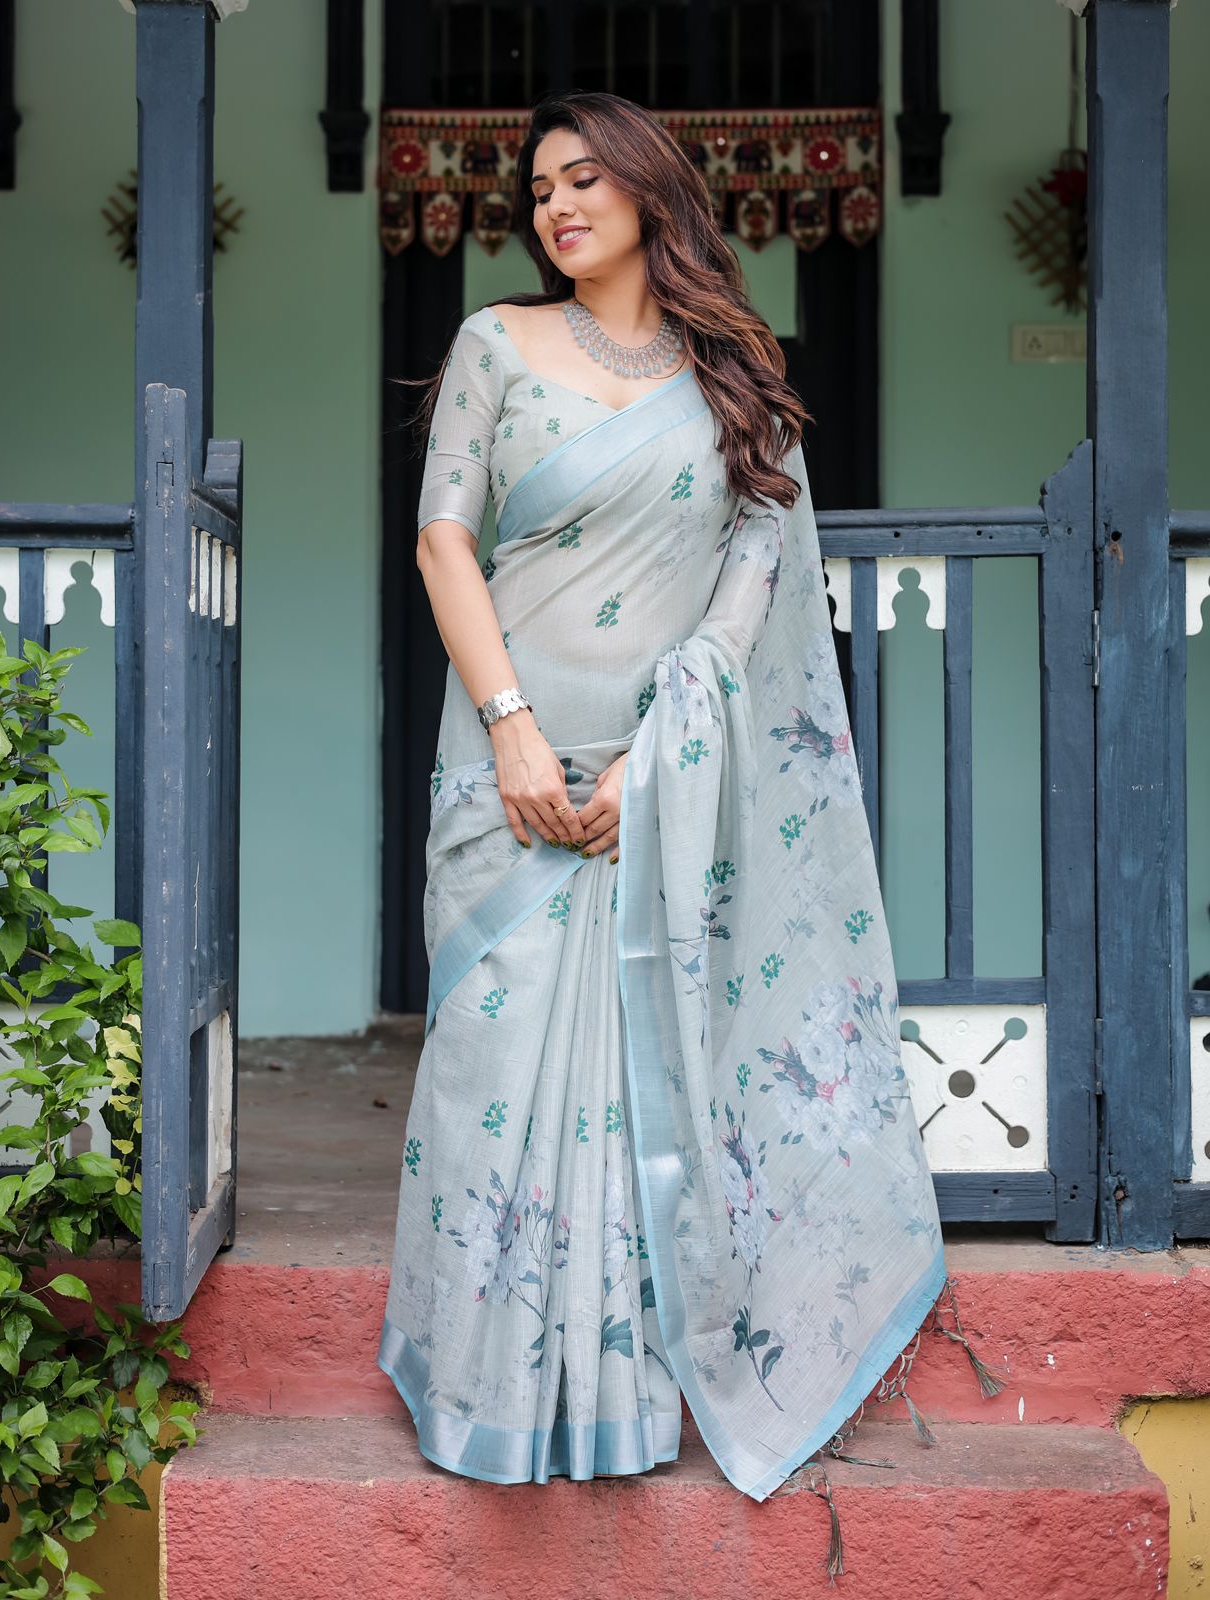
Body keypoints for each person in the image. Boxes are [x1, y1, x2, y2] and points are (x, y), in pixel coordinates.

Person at [379, 90, 996, 1555]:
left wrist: (659, 756)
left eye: (587, 180)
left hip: (650, 787)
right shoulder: (492, 344)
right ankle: (487, 1389)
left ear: (655, 193)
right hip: (510, 780)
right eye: (538, 189)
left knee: (641, 1086)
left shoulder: (734, 377)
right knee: (497, 1076)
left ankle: (621, 1397)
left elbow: (746, 591)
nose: (556, 207)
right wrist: (518, 729)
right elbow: (440, 535)